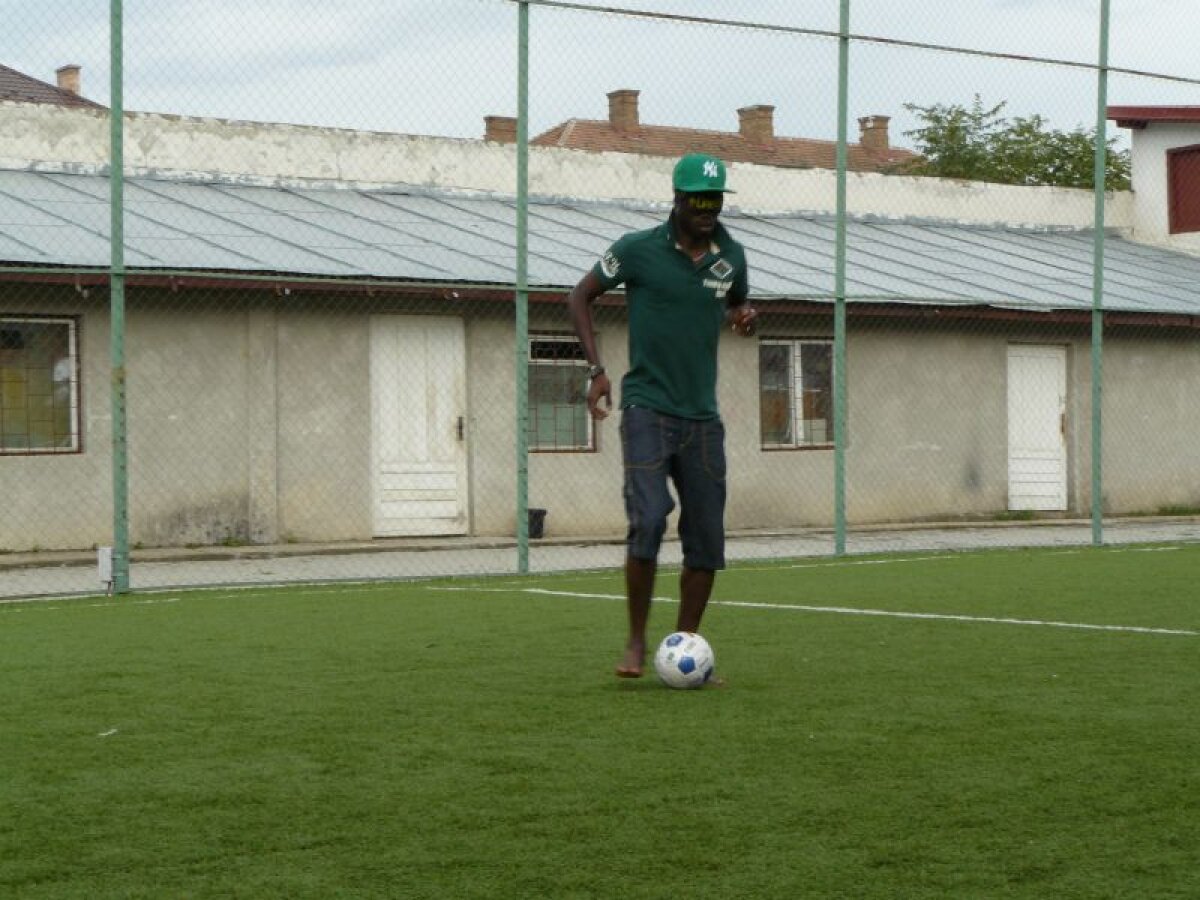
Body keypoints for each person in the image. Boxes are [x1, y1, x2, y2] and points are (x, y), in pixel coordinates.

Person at [567, 153, 758, 678]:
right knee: (649, 519)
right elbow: (579, 297)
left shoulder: (731, 257)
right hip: (648, 409)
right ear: (676, 199)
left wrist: (742, 316)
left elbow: (737, 303)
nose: (706, 208)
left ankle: (687, 645)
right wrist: (597, 369)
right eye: (697, 198)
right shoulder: (637, 250)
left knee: (706, 537)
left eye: (714, 199)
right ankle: (634, 641)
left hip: (702, 418)